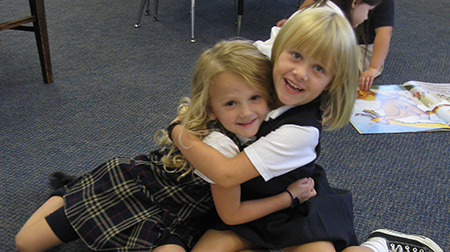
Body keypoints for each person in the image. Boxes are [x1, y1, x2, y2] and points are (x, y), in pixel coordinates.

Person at [169, 8, 443, 252]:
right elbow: (226, 69)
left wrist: (177, 129)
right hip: (245, 200)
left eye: (318, 68)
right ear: (278, 49)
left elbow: (226, 175)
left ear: (330, 82)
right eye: (296, 56)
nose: (300, 73)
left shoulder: (300, 132)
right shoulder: (267, 60)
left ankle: (377, 246)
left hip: (294, 206)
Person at [15, 40, 316, 252]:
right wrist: (288, 197)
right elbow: (232, 215)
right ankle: (72, 192)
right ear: (210, 108)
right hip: (134, 189)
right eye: (230, 103)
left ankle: (79, 191)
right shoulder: (223, 150)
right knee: (25, 243)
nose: (246, 113)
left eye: (255, 98)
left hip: (173, 215)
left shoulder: (248, 124)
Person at [269, 0, 391, 90]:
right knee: (338, 74)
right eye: (368, 11)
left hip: (361, 46)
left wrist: (373, 68)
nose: (365, 17)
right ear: (355, 2)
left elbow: (384, 33)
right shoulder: (334, 25)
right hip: (275, 55)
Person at [358, 0, 394, 90]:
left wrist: (373, 67)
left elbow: (384, 32)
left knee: (338, 67)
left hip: (363, 47)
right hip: (337, 38)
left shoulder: (383, 2)